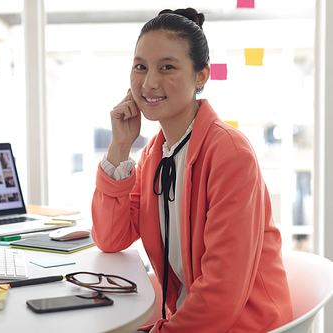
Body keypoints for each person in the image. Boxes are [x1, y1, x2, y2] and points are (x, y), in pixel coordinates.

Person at [91, 8, 293, 333]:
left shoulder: (230, 154)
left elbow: (222, 292)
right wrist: (119, 147)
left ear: (201, 76)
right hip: (190, 320)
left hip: (243, 325)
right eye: (140, 67)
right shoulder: (154, 155)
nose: (149, 82)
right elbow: (110, 237)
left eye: (167, 67)